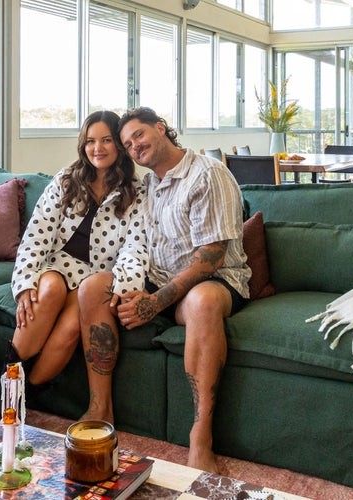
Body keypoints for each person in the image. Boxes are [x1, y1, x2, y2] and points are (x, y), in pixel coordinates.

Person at [0, 110, 149, 426]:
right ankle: (2, 403)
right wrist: (26, 281)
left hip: (93, 280)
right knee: (49, 290)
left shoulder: (137, 191)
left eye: (107, 140)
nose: (98, 148)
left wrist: (124, 289)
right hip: (56, 266)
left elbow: (135, 249)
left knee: (70, 329)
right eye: (91, 141)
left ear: (119, 145)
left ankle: (6, 405)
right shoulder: (66, 180)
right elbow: (36, 234)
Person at [111, 107, 251, 473]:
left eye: (139, 135)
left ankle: (200, 436)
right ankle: (100, 410)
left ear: (161, 129)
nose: (134, 146)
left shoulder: (208, 174)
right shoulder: (148, 185)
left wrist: (155, 302)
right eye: (127, 144)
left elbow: (213, 256)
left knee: (202, 301)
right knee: (94, 287)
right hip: (158, 278)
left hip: (214, 281)